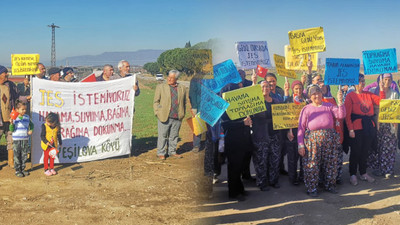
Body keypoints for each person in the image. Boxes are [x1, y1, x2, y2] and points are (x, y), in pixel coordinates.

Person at [298, 85, 345, 197]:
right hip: (312, 141)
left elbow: (341, 115)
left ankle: (330, 185)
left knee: (330, 164)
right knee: (312, 164)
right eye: (313, 94)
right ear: (310, 96)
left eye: (318, 92)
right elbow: (301, 127)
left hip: (329, 140)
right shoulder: (306, 109)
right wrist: (300, 145)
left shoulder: (329, 106)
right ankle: (312, 188)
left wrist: (340, 102)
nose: (317, 95)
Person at [345, 73, 385, 186]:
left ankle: (363, 172)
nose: (363, 83)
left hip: (369, 127)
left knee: (365, 151)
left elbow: (382, 102)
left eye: (363, 81)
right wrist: (350, 129)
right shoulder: (350, 96)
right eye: (360, 81)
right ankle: (352, 174)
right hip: (356, 128)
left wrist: (381, 89)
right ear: (355, 83)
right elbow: (347, 115)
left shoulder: (369, 94)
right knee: (355, 151)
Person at [252, 81, 282, 191]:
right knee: (261, 160)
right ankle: (262, 182)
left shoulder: (276, 101)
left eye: (267, 86)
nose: (266, 88)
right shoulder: (255, 102)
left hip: (274, 134)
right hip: (260, 135)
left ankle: (273, 180)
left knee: (274, 159)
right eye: (263, 86)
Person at [153, 70, 189, 160]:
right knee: (163, 135)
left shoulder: (182, 88)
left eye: (172, 78)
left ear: (176, 78)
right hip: (164, 116)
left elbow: (184, 102)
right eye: (168, 77)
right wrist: (157, 112)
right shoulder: (160, 87)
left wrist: (182, 113)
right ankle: (161, 153)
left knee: (174, 135)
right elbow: (156, 101)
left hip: (177, 116)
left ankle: (172, 152)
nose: (169, 79)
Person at [367, 73, 398, 177]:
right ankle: (377, 168)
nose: (387, 81)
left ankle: (387, 169)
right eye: (385, 79)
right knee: (376, 147)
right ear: (381, 80)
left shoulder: (394, 93)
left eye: (389, 79)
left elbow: (396, 109)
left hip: (389, 125)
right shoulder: (372, 92)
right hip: (376, 124)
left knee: (388, 147)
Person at [283, 80, 305, 185]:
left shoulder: (306, 100)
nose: (299, 90)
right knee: (292, 158)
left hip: (304, 132)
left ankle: (303, 176)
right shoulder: (288, 100)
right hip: (292, 132)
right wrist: (288, 131)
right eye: (296, 88)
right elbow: (283, 117)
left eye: (300, 88)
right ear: (293, 89)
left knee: (304, 157)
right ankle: (293, 178)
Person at [0, 65, 19, 168]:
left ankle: (11, 161)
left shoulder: (10, 85)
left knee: (11, 139)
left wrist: (26, 98)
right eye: (4, 72)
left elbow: (17, 98)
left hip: (9, 118)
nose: (7, 74)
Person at [9, 100, 33, 177]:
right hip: (16, 140)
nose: (24, 111)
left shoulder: (27, 117)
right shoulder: (14, 118)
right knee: (17, 155)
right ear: (17, 109)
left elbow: (31, 125)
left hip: (25, 139)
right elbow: (11, 129)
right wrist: (11, 124)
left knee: (24, 155)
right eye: (22, 109)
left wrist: (30, 130)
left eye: (25, 109)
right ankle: (17, 170)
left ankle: (23, 169)